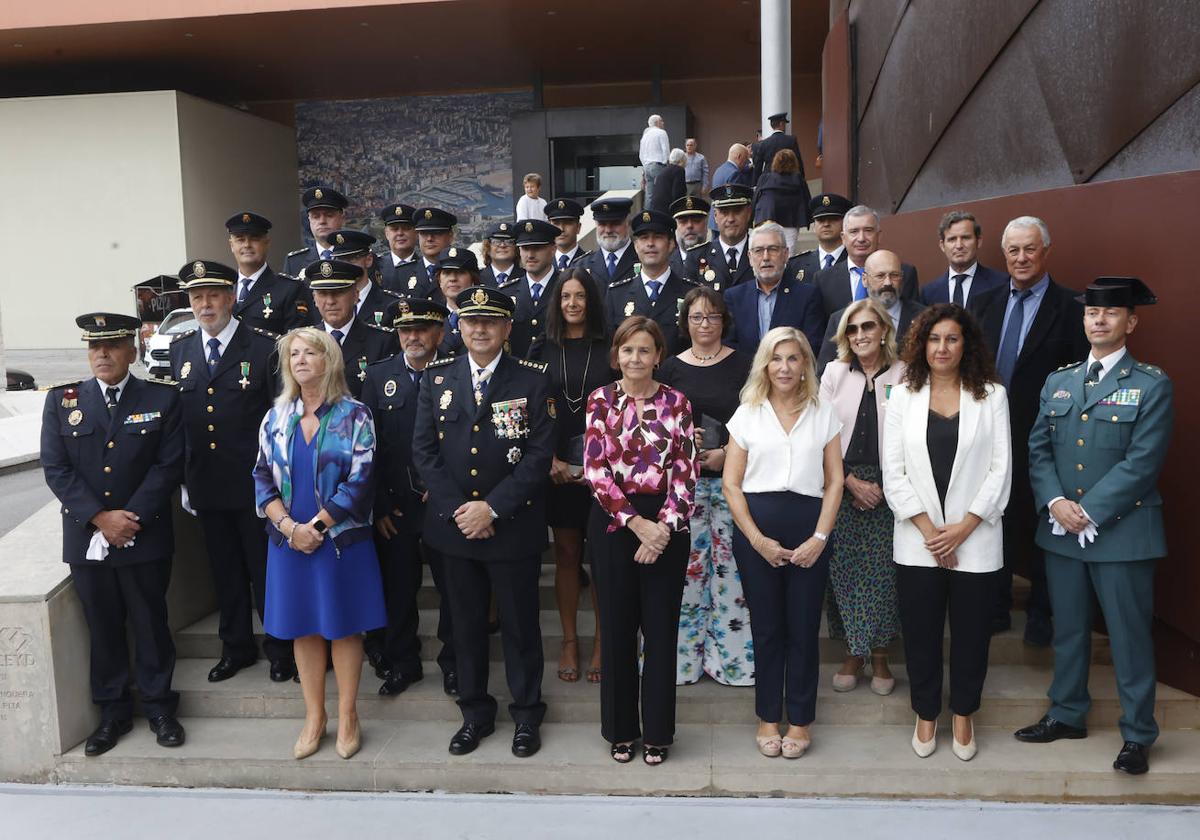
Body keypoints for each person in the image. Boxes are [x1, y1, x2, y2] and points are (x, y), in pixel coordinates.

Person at [1015, 277, 1173, 776]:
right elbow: (1038, 448)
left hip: (1122, 532)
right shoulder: (1058, 381)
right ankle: (1066, 713)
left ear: (1130, 322)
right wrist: (1056, 502)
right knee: (1069, 631)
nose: (1098, 321)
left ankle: (1139, 734)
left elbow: (1143, 462)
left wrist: (1089, 510)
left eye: (1110, 314)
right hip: (1062, 532)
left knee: (1128, 636)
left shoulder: (1151, 384)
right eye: (1091, 314)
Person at [411, 286, 556, 759]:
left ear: (507, 329)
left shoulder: (533, 381)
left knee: (519, 627)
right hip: (454, 532)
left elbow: (537, 457)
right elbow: (424, 454)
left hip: (512, 528)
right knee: (466, 627)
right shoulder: (437, 379)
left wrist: (491, 509)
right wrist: (462, 511)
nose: (479, 329)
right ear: (460, 327)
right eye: (471, 321)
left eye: (490, 322)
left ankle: (527, 713)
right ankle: (474, 713)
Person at [41, 312, 186, 756]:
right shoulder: (63, 401)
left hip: (145, 535)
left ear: (131, 350)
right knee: (102, 628)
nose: (101, 354)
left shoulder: (162, 397)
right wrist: (101, 518)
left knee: (150, 622)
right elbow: (57, 468)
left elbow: (168, 465)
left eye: (111, 345)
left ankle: (160, 707)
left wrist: (130, 517)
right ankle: (112, 713)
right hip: (88, 540)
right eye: (94, 347)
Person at [882, 304, 1012, 761]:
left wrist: (963, 528)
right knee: (920, 633)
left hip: (974, 539)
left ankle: (963, 713)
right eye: (934, 339)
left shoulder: (991, 395)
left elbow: (1000, 468)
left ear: (966, 345)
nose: (942, 347)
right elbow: (892, 471)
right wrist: (929, 529)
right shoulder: (901, 396)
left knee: (973, 633)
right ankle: (925, 713)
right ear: (921, 344)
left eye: (952, 339)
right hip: (918, 540)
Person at [253, 327, 385, 761]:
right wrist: (291, 529)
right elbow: (261, 478)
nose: (301, 360)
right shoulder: (276, 416)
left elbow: (361, 481)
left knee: (344, 626)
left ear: (329, 360)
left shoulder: (355, 415)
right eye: (294, 354)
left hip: (339, 539)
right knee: (302, 626)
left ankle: (348, 715)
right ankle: (315, 717)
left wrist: (319, 526)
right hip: (289, 541)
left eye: (311, 352)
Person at [169, 259, 294, 684]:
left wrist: (277, 484)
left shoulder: (263, 347)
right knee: (223, 571)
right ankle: (236, 646)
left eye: (213, 296)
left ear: (231, 298)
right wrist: (184, 478)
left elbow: (281, 421)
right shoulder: (181, 348)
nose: (205, 305)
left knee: (264, 571)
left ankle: (280, 649)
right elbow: (179, 420)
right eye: (196, 297)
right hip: (205, 482)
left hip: (255, 485)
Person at [723, 327, 843, 759]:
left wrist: (819, 537)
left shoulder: (823, 412)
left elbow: (833, 483)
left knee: (804, 630)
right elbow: (732, 485)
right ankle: (767, 717)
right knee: (768, 628)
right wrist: (757, 540)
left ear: (806, 363)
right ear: (765, 364)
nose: (785, 367)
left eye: (793, 358)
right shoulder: (748, 413)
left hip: (810, 533)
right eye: (777, 359)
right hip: (759, 535)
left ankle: (801, 720)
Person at [968, 216, 1088, 644]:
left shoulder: (1073, 307)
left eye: (1029, 249)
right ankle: (997, 606)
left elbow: (1080, 377)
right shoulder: (983, 303)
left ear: (1045, 251)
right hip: (988, 435)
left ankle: (1041, 611)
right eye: (1013, 250)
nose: (1021, 258)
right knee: (991, 517)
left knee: (1041, 523)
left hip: (1045, 438)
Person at [584, 317, 698, 766]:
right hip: (616, 526)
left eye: (644, 350)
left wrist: (662, 529)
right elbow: (595, 471)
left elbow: (686, 473)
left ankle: (657, 733)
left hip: (667, 526)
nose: (635, 358)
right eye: (627, 350)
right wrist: (636, 524)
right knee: (617, 631)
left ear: (658, 356)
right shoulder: (600, 401)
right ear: (617, 354)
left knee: (660, 631)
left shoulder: (678, 403)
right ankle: (620, 730)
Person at [360, 298, 458, 697]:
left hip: (445, 504)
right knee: (398, 588)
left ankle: (454, 662)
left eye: (421, 330)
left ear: (439, 333)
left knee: (454, 589)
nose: (412, 337)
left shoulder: (457, 372)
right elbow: (367, 446)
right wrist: (379, 504)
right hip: (396, 505)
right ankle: (403, 661)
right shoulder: (379, 375)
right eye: (405, 330)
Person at [656, 287, 754, 686]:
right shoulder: (669, 370)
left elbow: (757, 420)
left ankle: (733, 664)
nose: (705, 324)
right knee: (685, 575)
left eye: (712, 316)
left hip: (733, 484)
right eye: (696, 317)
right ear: (685, 323)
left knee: (732, 575)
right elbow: (656, 429)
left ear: (724, 321)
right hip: (682, 489)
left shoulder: (745, 365)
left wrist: (727, 453)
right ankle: (682, 663)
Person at [527, 269, 615, 684]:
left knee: (600, 558)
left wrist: (600, 464)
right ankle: (567, 639)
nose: (573, 304)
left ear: (591, 301)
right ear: (556, 303)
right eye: (566, 297)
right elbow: (527, 411)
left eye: (581, 296)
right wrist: (550, 460)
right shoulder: (540, 348)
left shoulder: (610, 347)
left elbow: (624, 407)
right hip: (557, 469)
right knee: (565, 555)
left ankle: (602, 639)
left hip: (606, 473)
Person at [819, 298, 906, 695]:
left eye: (868, 327)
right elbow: (819, 433)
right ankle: (853, 655)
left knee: (885, 576)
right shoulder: (834, 373)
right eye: (852, 330)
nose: (860, 336)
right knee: (845, 572)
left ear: (884, 330)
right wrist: (850, 481)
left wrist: (888, 488)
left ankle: (882, 656)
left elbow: (915, 437)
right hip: (842, 481)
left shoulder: (906, 373)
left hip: (894, 486)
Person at [723, 221, 825, 356]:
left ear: (786, 254)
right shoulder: (734, 297)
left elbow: (812, 346)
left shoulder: (807, 296)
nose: (766, 257)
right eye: (758, 250)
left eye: (773, 249)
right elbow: (728, 346)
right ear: (750, 257)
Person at [605, 209, 696, 354]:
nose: (650, 244)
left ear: (671, 244)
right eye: (644, 238)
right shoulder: (617, 294)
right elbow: (610, 348)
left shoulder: (691, 293)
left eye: (658, 237)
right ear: (635, 246)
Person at [817, 249, 926, 371]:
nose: (888, 283)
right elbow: (824, 371)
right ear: (864, 279)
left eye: (894, 275)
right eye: (880, 276)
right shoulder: (841, 319)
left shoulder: (923, 317)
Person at [307, 258, 399, 400]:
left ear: (356, 295)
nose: (331, 301)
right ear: (314, 299)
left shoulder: (382, 341)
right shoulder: (304, 343)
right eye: (323, 294)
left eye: (338, 292)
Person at [814, 206, 920, 316]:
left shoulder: (905, 273)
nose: (861, 238)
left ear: (879, 236)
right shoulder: (823, 279)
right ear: (843, 238)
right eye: (854, 231)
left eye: (868, 231)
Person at [226, 211, 313, 333]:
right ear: (231, 245)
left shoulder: (289, 289)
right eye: (240, 240)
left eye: (254, 239)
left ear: (266, 243)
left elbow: (295, 342)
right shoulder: (224, 289)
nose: (247, 245)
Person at [920, 210, 1007, 307]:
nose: (959, 245)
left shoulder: (1001, 284)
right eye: (952, 239)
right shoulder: (928, 293)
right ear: (942, 245)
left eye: (965, 238)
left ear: (979, 241)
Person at [504, 218, 560, 357]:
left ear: (553, 249)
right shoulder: (507, 292)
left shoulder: (566, 288)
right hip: (518, 372)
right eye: (525, 248)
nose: (530, 255)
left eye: (537, 248)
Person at [325, 229, 401, 329]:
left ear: (368, 260)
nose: (345, 267)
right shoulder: (328, 304)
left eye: (352, 259)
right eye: (340, 260)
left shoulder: (391, 304)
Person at [685, 183, 755, 291]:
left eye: (737, 211)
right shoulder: (697, 257)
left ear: (749, 213)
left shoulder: (761, 252)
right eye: (724, 212)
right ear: (715, 216)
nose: (730, 219)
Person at [752, 149, 812, 253]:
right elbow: (807, 200)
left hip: (768, 217)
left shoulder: (765, 178)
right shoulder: (798, 179)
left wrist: (751, 218)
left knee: (768, 250)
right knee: (788, 252)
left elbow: (756, 198)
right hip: (791, 220)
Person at [784, 193, 850, 285]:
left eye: (833, 219)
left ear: (844, 224)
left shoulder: (854, 260)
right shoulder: (796, 264)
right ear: (814, 226)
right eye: (820, 220)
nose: (826, 224)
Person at [284, 186, 348, 277]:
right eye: (316, 216)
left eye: (329, 215)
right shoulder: (295, 262)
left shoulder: (356, 256)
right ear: (309, 220)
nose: (322, 221)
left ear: (342, 218)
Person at [431, 246, 481, 358]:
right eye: (447, 273)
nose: (453, 278)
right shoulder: (430, 317)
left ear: (473, 279)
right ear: (439, 280)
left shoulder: (483, 317)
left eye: (460, 272)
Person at [578, 197, 637, 292]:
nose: (608, 230)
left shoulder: (645, 262)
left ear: (628, 223)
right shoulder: (581, 266)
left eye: (615, 223)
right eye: (602, 224)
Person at [378, 203, 430, 297]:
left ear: (416, 233)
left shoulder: (426, 269)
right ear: (386, 233)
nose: (400, 233)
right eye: (394, 229)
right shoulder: (375, 267)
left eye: (406, 228)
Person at [751, 112, 806, 187]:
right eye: (784, 123)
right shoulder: (791, 140)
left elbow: (758, 166)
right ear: (781, 124)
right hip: (788, 180)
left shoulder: (764, 143)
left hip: (769, 182)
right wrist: (802, 178)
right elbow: (798, 161)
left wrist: (755, 184)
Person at [413, 207, 458, 293]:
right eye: (424, 233)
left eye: (436, 233)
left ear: (450, 236)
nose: (429, 239)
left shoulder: (461, 273)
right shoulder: (403, 273)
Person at [669, 194, 711, 279]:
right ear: (674, 228)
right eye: (683, 221)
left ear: (706, 225)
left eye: (696, 221)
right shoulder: (665, 266)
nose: (689, 226)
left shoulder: (719, 260)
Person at [546, 198, 590, 270]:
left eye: (567, 223)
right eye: (556, 224)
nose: (561, 229)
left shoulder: (590, 262)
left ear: (578, 227)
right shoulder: (543, 264)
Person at [639, 114, 670, 208]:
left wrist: (644, 167)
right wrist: (666, 163)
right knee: (662, 191)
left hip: (647, 166)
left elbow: (641, 154)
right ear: (657, 122)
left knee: (649, 195)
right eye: (661, 121)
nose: (663, 123)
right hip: (658, 165)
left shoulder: (645, 136)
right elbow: (666, 150)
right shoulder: (661, 132)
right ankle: (661, 215)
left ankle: (648, 216)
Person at [480, 221, 522, 289]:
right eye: (496, 241)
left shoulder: (526, 277)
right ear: (487, 247)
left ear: (516, 248)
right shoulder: (477, 278)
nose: (502, 245)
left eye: (509, 242)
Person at [648, 148, 688, 214]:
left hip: (656, 207)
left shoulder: (664, 170)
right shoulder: (679, 170)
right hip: (667, 209)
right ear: (681, 160)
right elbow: (678, 194)